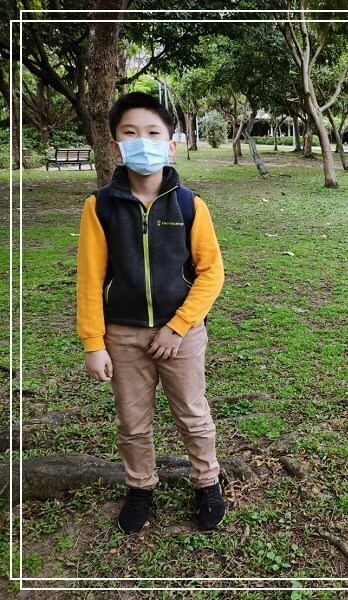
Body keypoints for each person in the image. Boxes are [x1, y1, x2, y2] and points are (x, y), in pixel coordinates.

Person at [77, 92, 226, 534]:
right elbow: (89, 280)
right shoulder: (99, 206)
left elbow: (211, 273)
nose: (142, 141)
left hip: (181, 335)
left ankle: (207, 483)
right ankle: (140, 487)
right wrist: (94, 343)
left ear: (171, 144)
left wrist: (178, 327)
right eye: (130, 133)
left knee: (193, 414)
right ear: (115, 146)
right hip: (122, 336)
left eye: (153, 133)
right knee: (132, 422)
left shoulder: (188, 205)